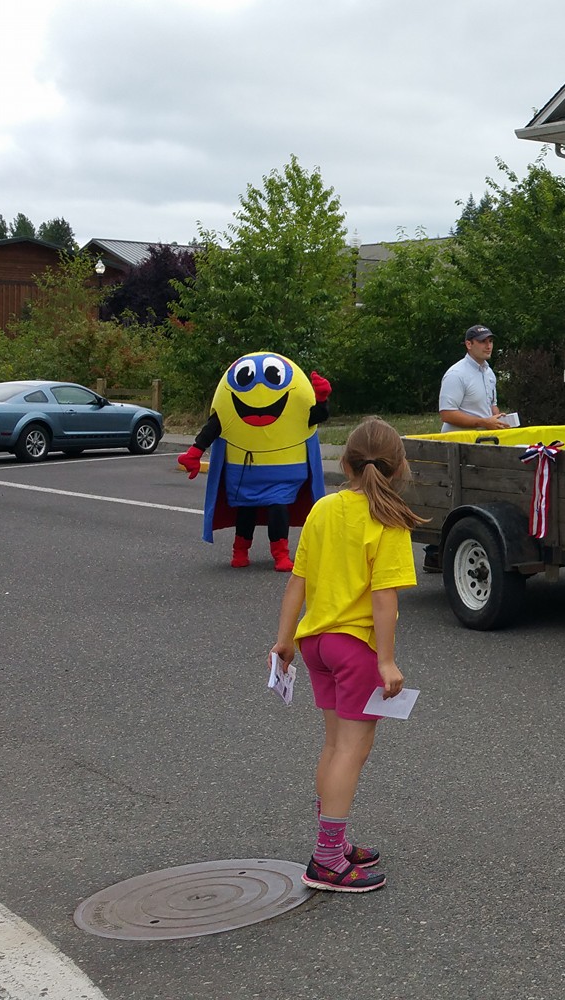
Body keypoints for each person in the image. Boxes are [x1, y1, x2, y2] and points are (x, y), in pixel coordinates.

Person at [271, 417, 423, 894]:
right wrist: (386, 661)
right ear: (400, 466)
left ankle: (332, 843)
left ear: (346, 463)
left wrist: (284, 640)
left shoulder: (323, 508)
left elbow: (298, 580)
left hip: (316, 642)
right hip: (354, 648)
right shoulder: (388, 519)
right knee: (352, 751)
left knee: (335, 745)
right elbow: (383, 598)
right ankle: (327, 859)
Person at [179, 351, 330, 572]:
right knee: (246, 510)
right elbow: (216, 424)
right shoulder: (230, 401)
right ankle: (240, 551)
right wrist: (195, 451)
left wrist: (322, 400)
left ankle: (280, 554)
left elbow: (314, 417)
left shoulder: (294, 400)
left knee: (279, 508)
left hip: (280, 473)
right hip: (245, 472)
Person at [438, 325, 509, 431]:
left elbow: (492, 405)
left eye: (490, 341)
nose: (488, 346)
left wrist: (498, 418)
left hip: (484, 438)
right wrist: (483, 422)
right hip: (458, 439)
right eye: (482, 341)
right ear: (469, 344)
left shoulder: (489, 373)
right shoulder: (455, 374)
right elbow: (447, 414)